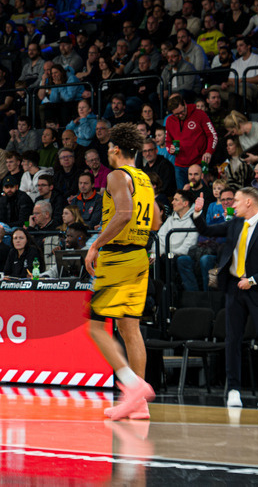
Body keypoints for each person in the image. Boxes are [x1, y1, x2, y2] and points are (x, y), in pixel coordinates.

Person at [82, 123, 159, 420]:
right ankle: (139, 405)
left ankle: (132, 386)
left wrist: (96, 245)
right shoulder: (144, 179)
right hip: (140, 256)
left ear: (115, 149)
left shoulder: (116, 175)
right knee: (130, 329)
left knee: (95, 327)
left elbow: (124, 213)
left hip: (118, 257)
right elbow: (154, 222)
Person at [191, 187, 258, 409]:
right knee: (233, 340)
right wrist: (198, 212)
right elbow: (207, 229)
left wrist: (253, 280)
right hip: (234, 288)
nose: (231, 205)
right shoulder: (235, 224)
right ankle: (233, 390)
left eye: (235, 201)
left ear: (248, 202)